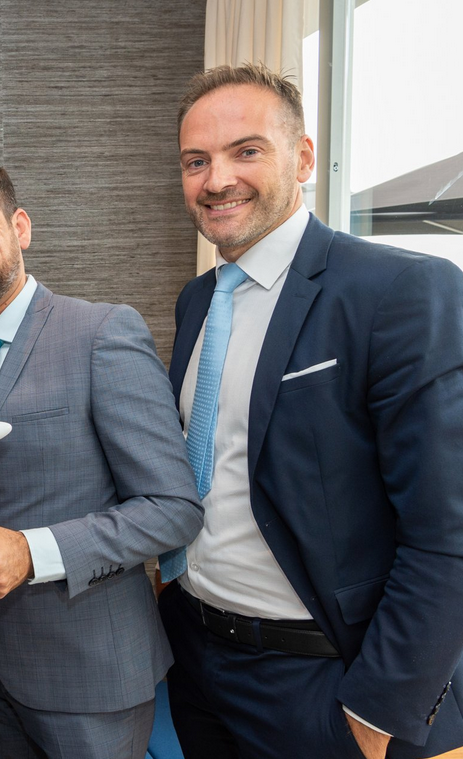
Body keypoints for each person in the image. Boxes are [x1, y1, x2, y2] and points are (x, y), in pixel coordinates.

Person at [158, 63, 463, 759]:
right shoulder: (196, 301)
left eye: (246, 151)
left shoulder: (400, 290)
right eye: (194, 161)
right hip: (199, 664)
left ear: (302, 159)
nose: (215, 179)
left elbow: (447, 530)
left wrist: (376, 711)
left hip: (325, 679)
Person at [0, 156, 203, 758]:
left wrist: (32, 553)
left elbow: (173, 508)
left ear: (20, 227)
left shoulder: (103, 333)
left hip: (90, 673)